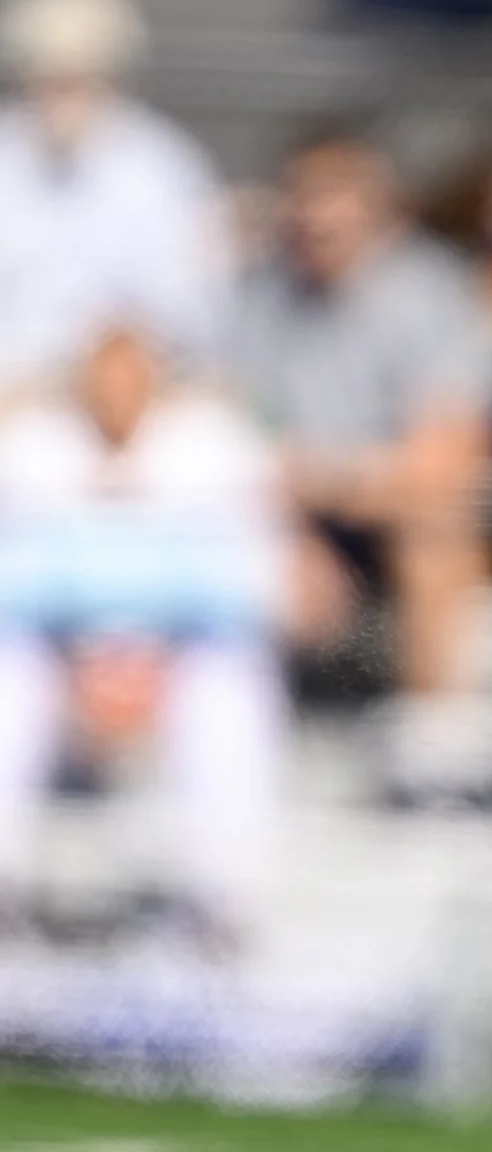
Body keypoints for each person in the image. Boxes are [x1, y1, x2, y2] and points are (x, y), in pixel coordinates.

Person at [0, 321, 288, 943]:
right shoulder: (29, 446)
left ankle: (223, 901)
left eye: (130, 380)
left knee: (229, 686)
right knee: (7, 677)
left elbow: (249, 588)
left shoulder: (215, 446)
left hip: (176, 659)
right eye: (100, 381)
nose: (115, 397)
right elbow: (12, 589)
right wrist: (85, 664)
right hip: (62, 661)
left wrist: (147, 658)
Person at [233, 126, 492, 700]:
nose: (312, 213)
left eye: (332, 193)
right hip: (295, 517)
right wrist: (296, 526)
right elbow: (231, 437)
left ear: (381, 206)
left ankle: (437, 747)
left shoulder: (432, 294)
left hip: (390, 518)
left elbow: (449, 461)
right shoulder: (260, 296)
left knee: (438, 541)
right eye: (301, 193)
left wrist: (331, 480)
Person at [0, 0, 230, 395]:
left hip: (125, 393)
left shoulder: (163, 168)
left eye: (79, 79)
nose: (61, 96)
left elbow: (185, 312)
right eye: (48, 79)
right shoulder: (7, 154)